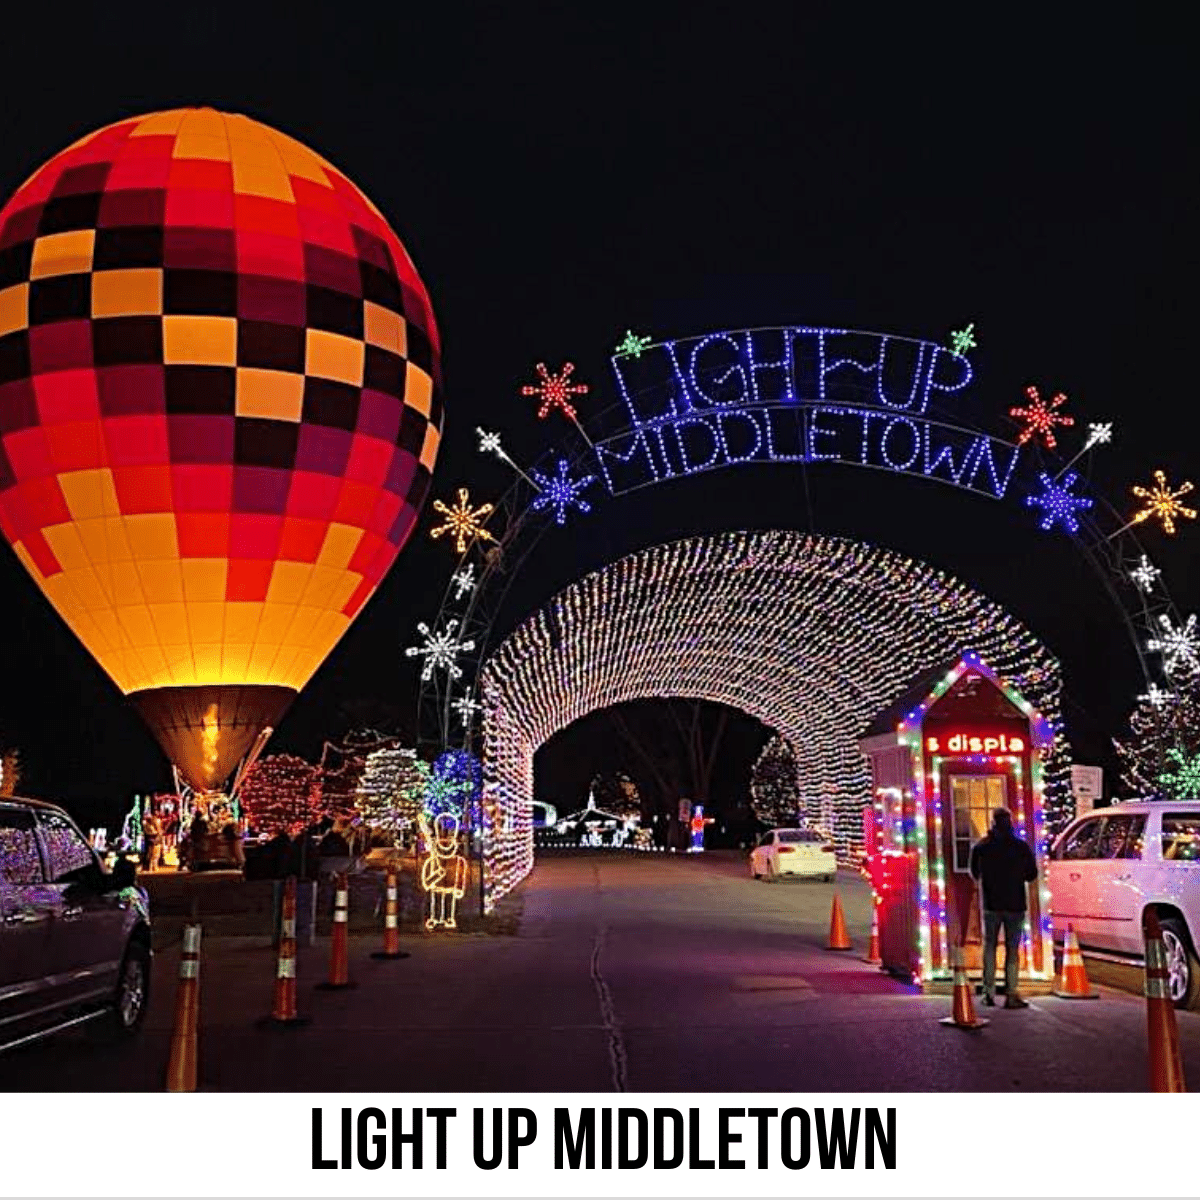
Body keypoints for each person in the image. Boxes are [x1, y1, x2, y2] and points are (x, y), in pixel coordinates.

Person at [969, 806, 1038, 1009]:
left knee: (989, 946)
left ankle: (988, 993)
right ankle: (1011, 993)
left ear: (993, 822)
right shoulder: (1021, 847)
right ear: (1011, 822)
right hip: (1015, 903)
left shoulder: (982, 847)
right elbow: (1031, 874)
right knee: (1012, 949)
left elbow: (974, 873)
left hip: (991, 903)